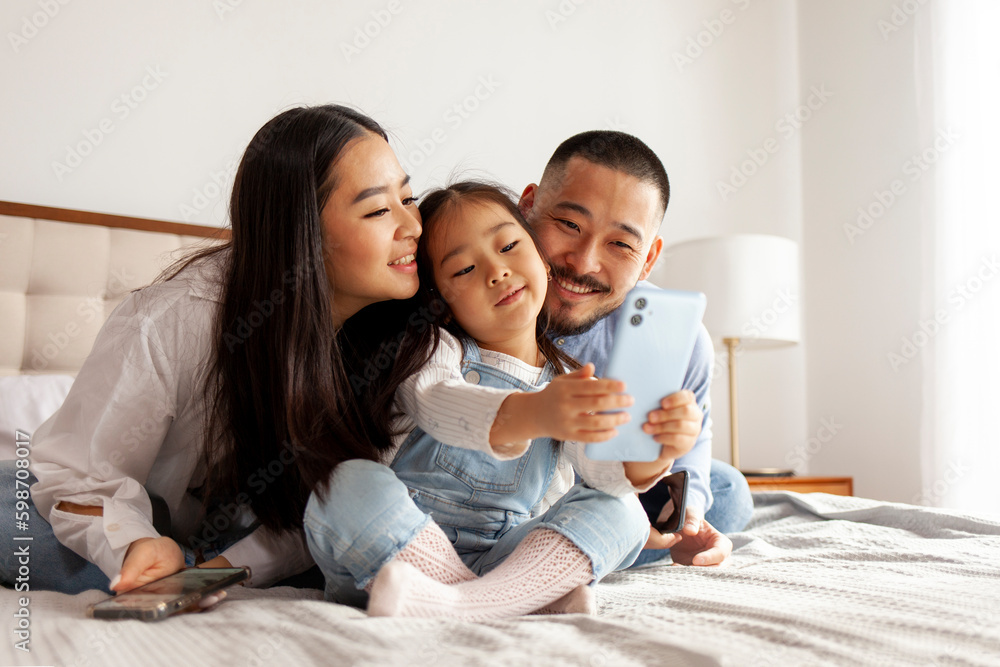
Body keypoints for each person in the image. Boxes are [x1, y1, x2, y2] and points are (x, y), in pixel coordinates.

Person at [0, 104, 428, 595]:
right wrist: (138, 546)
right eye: (377, 210)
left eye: (409, 198)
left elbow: (328, 513)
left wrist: (214, 573)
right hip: (124, 505)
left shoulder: (409, 346)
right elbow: (81, 476)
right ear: (302, 232)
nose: (412, 225)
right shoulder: (171, 321)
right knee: (19, 523)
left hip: (248, 534)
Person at [304, 182, 697, 620]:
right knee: (344, 483)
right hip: (391, 555)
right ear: (444, 306)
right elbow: (438, 401)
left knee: (624, 511)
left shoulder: (566, 380)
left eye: (509, 245)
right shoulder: (433, 349)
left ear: (543, 262)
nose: (496, 271)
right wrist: (534, 412)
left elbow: (602, 473)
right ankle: (512, 600)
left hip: (504, 558)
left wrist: (653, 454)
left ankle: (465, 603)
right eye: (463, 270)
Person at [517, 130, 754, 567]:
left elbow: (690, 448)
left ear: (648, 259)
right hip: (504, 494)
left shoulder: (677, 339)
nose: (584, 262)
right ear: (528, 206)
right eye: (569, 225)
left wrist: (688, 520)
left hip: (615, 490)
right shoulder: (482, 297)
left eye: (621, 245)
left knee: (728, 489)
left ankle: (602, 543)